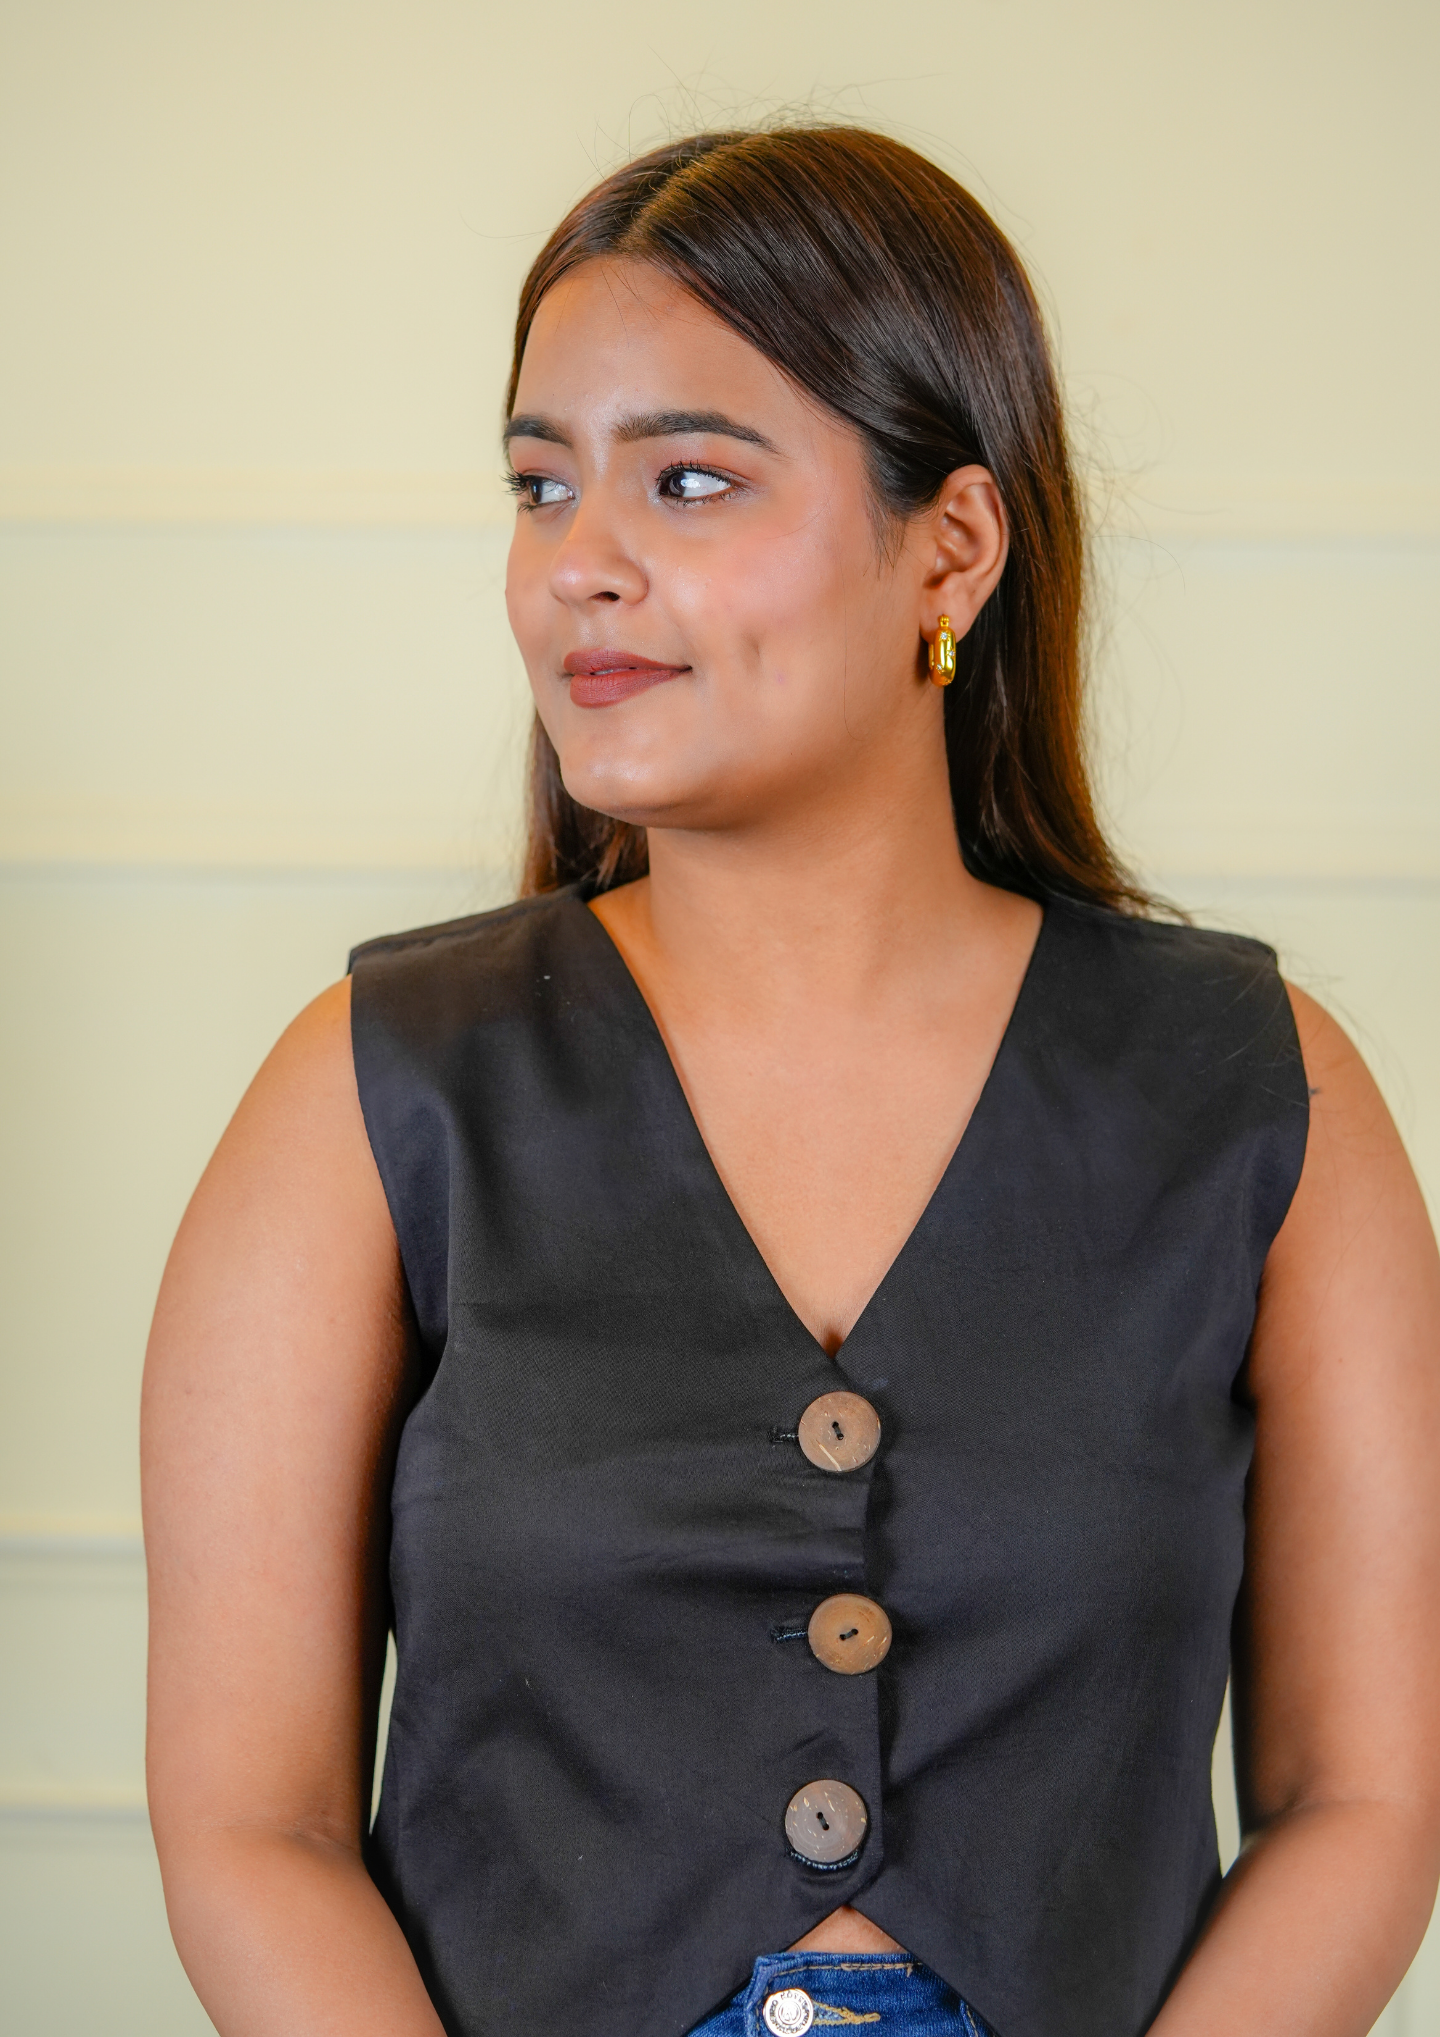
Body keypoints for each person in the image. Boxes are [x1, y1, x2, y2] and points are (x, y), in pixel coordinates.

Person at [142, 127, 1440, 2037]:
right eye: (536, 485)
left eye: (685, 479)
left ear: (954, 544)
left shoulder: (1261, 1096)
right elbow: (253, 1829)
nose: (577, 565)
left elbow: (1368, 1802)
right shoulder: (372, 1089)